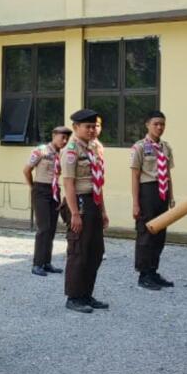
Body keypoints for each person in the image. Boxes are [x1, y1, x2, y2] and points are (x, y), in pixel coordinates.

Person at [62, 110, 109, 313]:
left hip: (94, 201)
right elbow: (68, 183)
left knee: (95, 251)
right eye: (87, 126)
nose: (91, 130)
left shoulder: (93, 148)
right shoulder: (71, 150)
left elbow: (98, 182)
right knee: (79, 251)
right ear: (75, 128)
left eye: (93, 126)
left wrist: (103, 210)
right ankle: (74, 297)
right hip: (79, 202)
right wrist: (74, 213)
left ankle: (86, 294)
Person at [130, 111, 175, 291]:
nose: (159, 127)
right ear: (147, 125)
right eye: (156, 124)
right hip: (147, 191)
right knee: (146, 233)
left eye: (162, 124)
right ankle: (143, 273)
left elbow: (168, 173)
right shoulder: (139, 147)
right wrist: (135, 203)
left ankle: (153, 270)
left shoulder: (166, 147)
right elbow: (134, 175)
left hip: (162, 191)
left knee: (160, 233)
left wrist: (171, 196)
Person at [24, 126, 71, 276]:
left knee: (51, 229)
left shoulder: (63, 153)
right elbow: (26, 169)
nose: (64, 141)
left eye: (66, 138)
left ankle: (47, 262)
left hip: (54, 191)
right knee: (43, 228)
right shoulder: (41, 150)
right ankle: (37, 264)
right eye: (61, 137)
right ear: (54, 135)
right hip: (41, 190)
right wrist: (33, 187)